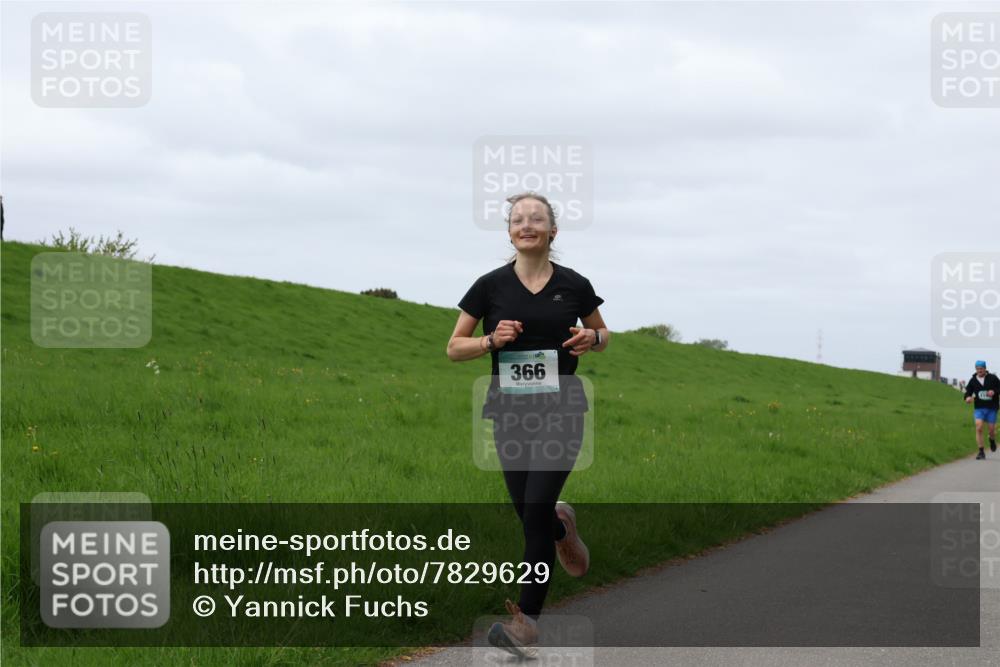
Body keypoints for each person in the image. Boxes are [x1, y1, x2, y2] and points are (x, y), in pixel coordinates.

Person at [446, 192, 609, 657]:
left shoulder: (574, 285)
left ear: (552, 232)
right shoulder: (489, 286)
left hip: (562, 409)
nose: (527, 224)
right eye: (518, 218)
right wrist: (489, 342)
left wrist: (590, 336)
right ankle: (561, 531)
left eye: (537, 218)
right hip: (509, 410)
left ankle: (525, 623)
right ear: (510, 232)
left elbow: (603, 335)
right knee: (528, 514)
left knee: (534, 507)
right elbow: (454, 347)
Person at [964, 360, 998, 460]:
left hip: (992, 407)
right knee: (979, 427)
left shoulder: (993, 378)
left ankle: (991, 440)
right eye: (977, 369)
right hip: (979, 408)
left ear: (985, 369)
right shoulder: (973, 380)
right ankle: (981, 451)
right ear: (976, 369)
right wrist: (967, 398)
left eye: (981, 369)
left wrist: (994, 391)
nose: (979, 371)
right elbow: (968, 392)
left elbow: (999, 388)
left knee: (991, 430)